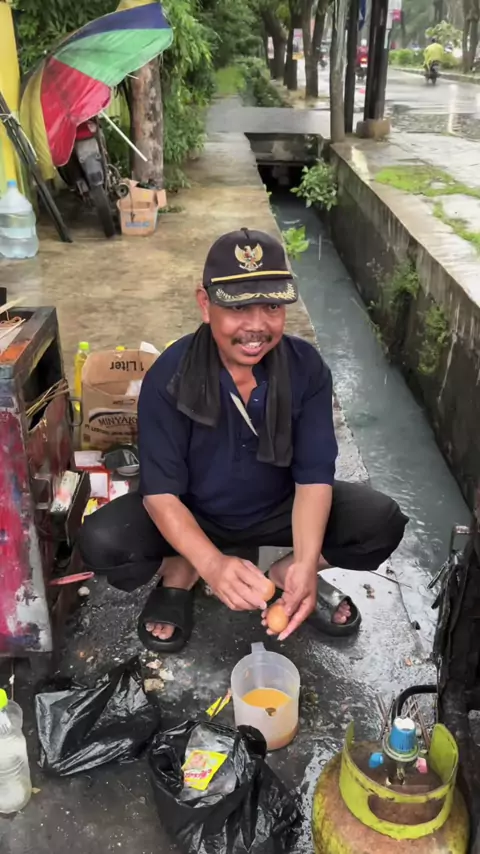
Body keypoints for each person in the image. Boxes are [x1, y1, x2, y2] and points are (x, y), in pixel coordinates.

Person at [78, 229, 408, 654]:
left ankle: (287, 572)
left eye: (272, 306)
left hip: (278, 507)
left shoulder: (306, 369)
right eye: (237, 307)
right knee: (102, 543)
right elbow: (160, 496)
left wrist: (307, 560)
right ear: (205, 304)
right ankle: (183, 567)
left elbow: (313, 479)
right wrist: (212, 564)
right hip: (195, 510)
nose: (256, 326)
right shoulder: (169, 376)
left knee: (381, 522)